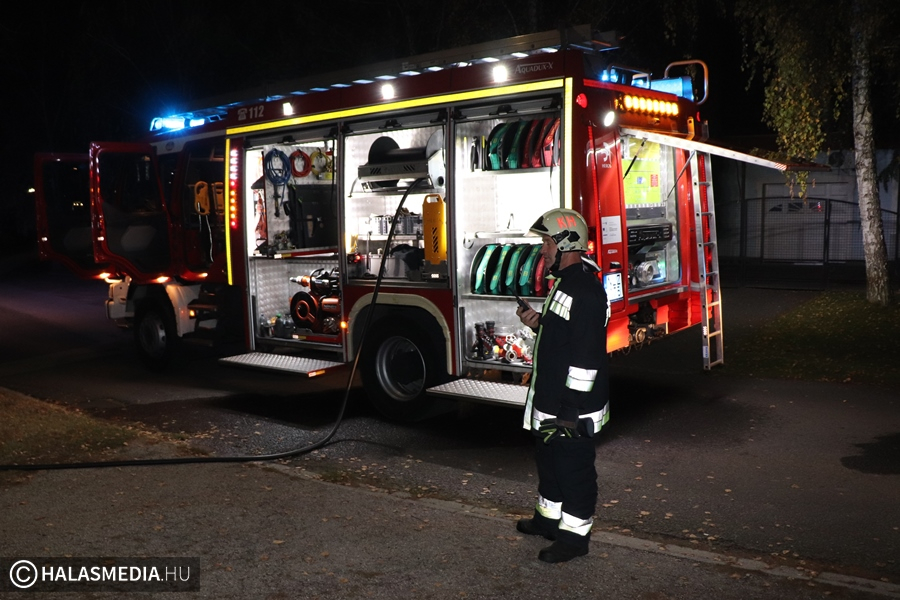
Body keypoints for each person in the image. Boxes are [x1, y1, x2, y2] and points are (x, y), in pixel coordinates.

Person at [515, 208, 610, 563]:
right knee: (550, 465)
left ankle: (573, 540)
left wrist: (570, 411)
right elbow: (564, 336)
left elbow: (586, 359)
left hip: (571, 409)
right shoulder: (567, 285)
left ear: (565, 242)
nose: (543, 250)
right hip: (553, 401)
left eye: (546, 242)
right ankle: (547, 521)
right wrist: (538, 322)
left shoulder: (584, 291)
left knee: (574, 472)